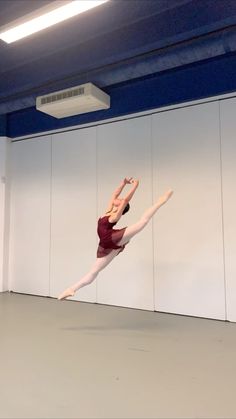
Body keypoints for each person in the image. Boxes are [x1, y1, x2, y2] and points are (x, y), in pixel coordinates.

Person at [58, 178, 173, 300]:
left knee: (142, 222)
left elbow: (125, 199)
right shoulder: (108, 210)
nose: (116, 200)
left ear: (122, 207)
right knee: (94, 271)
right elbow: (115, 194)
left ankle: (161, 201)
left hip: (112, 238)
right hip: (105, 244)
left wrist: (135, 186)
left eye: (119, 201)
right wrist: (123, 183)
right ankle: (71, 289)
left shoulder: (114, 216)